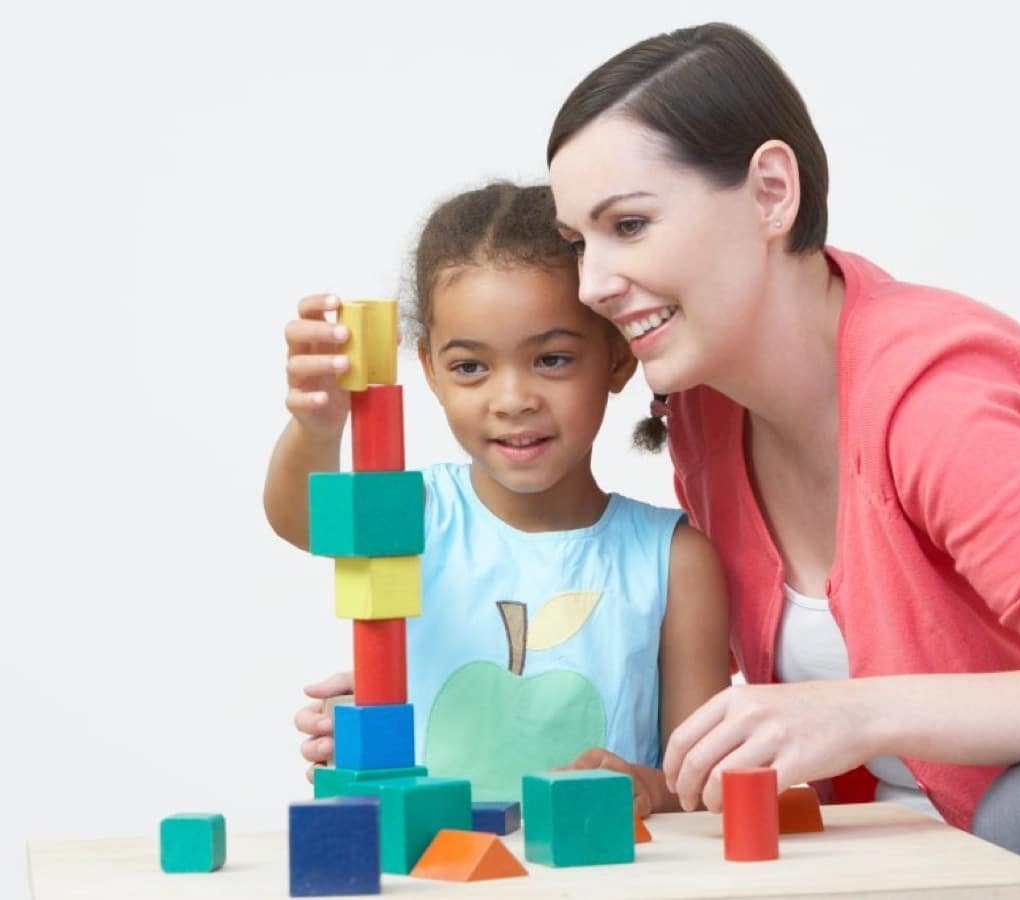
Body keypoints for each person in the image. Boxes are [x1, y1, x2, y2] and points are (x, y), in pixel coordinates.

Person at [545, 22, 1020, 898]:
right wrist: (669, 784)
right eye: (578, 243)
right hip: (927, 862)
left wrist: (863, 710)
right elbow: (806, 742)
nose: (591, 284)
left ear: (771, 193)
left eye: (629, 225)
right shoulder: (708, 410)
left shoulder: (935, 402)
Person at [265, 182, 730, 814]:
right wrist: (317, 426)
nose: (512, 400)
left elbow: (700, 780)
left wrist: (651, 789)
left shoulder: (675, 560)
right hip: (429, 861)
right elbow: (301, 519)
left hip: (601, 864)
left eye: (553, 359)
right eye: (470, 367)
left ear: (618, 359)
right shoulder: (417, 513)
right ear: (431, 370)